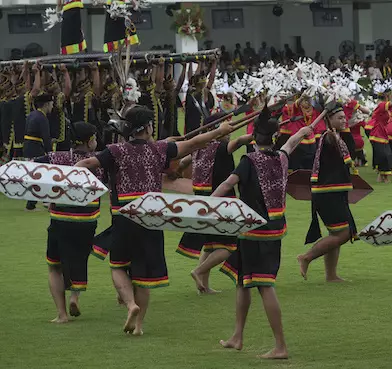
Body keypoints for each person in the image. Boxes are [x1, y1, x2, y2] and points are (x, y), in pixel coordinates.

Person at [76, 105, 237, 335]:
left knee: (118, 267)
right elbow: (192, 144)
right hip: (151, 218)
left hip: (123, 216)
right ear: (148, 127)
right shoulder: (159, 149)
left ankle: (130, 304)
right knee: (143, 276)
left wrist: (73, 176)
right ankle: (139, 326)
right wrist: (218, 132)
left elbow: (87, 164)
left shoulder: (114, 151)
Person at [213, 110, 314, 359]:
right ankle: (237, 336)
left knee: (264, 286)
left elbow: (227, 184)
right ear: (275, 136)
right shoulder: (280, 158)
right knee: (243, 283)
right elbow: (290, 145)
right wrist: (302, 131)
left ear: (253, 138)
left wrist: (204, 206)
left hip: (255, 232)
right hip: (270, 231)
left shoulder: (249, 161)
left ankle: (280, 346)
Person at [174, 112, 253, 293]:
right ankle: (198, 271)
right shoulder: (222, 146)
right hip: (221, 201)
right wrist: (257, 133)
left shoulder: (198, 148)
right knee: (229, 245)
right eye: (227, 127)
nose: (230, 130)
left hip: (202, 200)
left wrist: (176, 171)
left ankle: (204, 287)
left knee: (210, 245)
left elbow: (184, 161)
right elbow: (241, 141)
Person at [34, 122, 102, 323]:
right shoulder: (98, 161)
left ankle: (61, 314)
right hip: (87, 220)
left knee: (55, 266)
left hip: (60, 218)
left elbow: (33, 165)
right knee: (79, 258)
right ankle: (74, 296)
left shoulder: (57, 157)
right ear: (90, 141)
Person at [297, 103, 357, 281]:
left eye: (344, 117)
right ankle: (306, 257)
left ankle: (331, 275)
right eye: (339, 118)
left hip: (333, 192)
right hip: (328, 194)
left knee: (336, 233)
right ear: (329, 120)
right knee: (343, 233)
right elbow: (348, 152)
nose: (344, 120)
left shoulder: (335, 136)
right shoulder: (329, 137)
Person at [23, 92, 54, 211]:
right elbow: (46, 138)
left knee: (36, 176)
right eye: (51, 104)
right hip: (36, 147)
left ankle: (39, 202)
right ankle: (36, 203)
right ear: (46, 105)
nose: (52, 106)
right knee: (41, 175)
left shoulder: (31, 115)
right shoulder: (42, 117)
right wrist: (50, 153)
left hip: (28, 147)